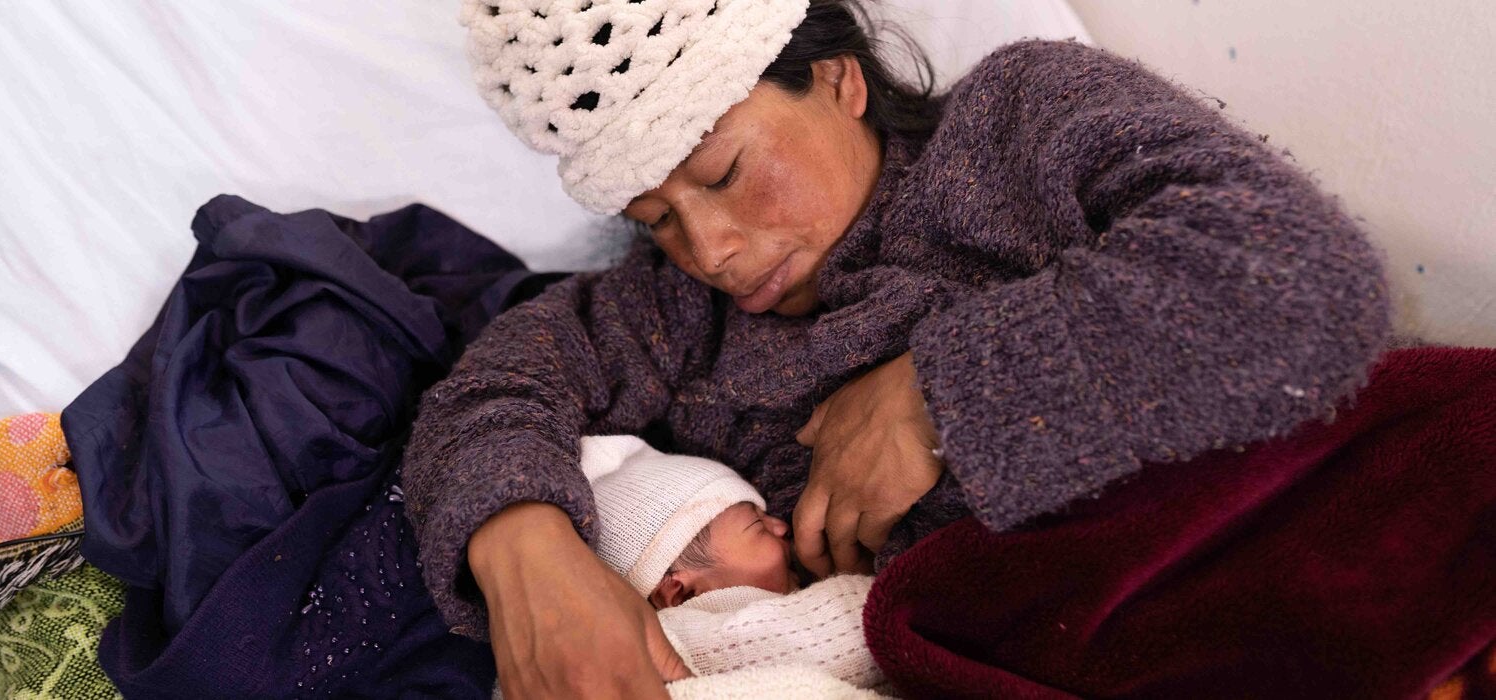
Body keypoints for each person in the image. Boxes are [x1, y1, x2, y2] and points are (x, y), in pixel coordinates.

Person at [404, 0, 1391, 696]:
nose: (708, 250)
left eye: (726, 173)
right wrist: (522, 545)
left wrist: (940, 395)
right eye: (656, 217)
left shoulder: (1016, 126)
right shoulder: (664, 312)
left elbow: (1301, 277)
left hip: (1280, 558)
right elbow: (490, 390)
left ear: (836, 81)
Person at [577, 435, 883, 690]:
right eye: (759, 526)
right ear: (681, 593)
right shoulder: (688, 635)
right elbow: (847, 628)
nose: (782, 526)